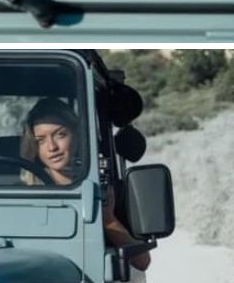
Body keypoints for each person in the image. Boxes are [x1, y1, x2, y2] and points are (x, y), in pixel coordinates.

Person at [20, 97, 150, 270]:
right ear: (33, 147)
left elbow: (142, 261)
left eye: (60, 134)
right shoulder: (21, 193)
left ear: (77, 135)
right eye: (40, 140)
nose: (51, 147)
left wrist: (108, 220)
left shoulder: (99, 189)